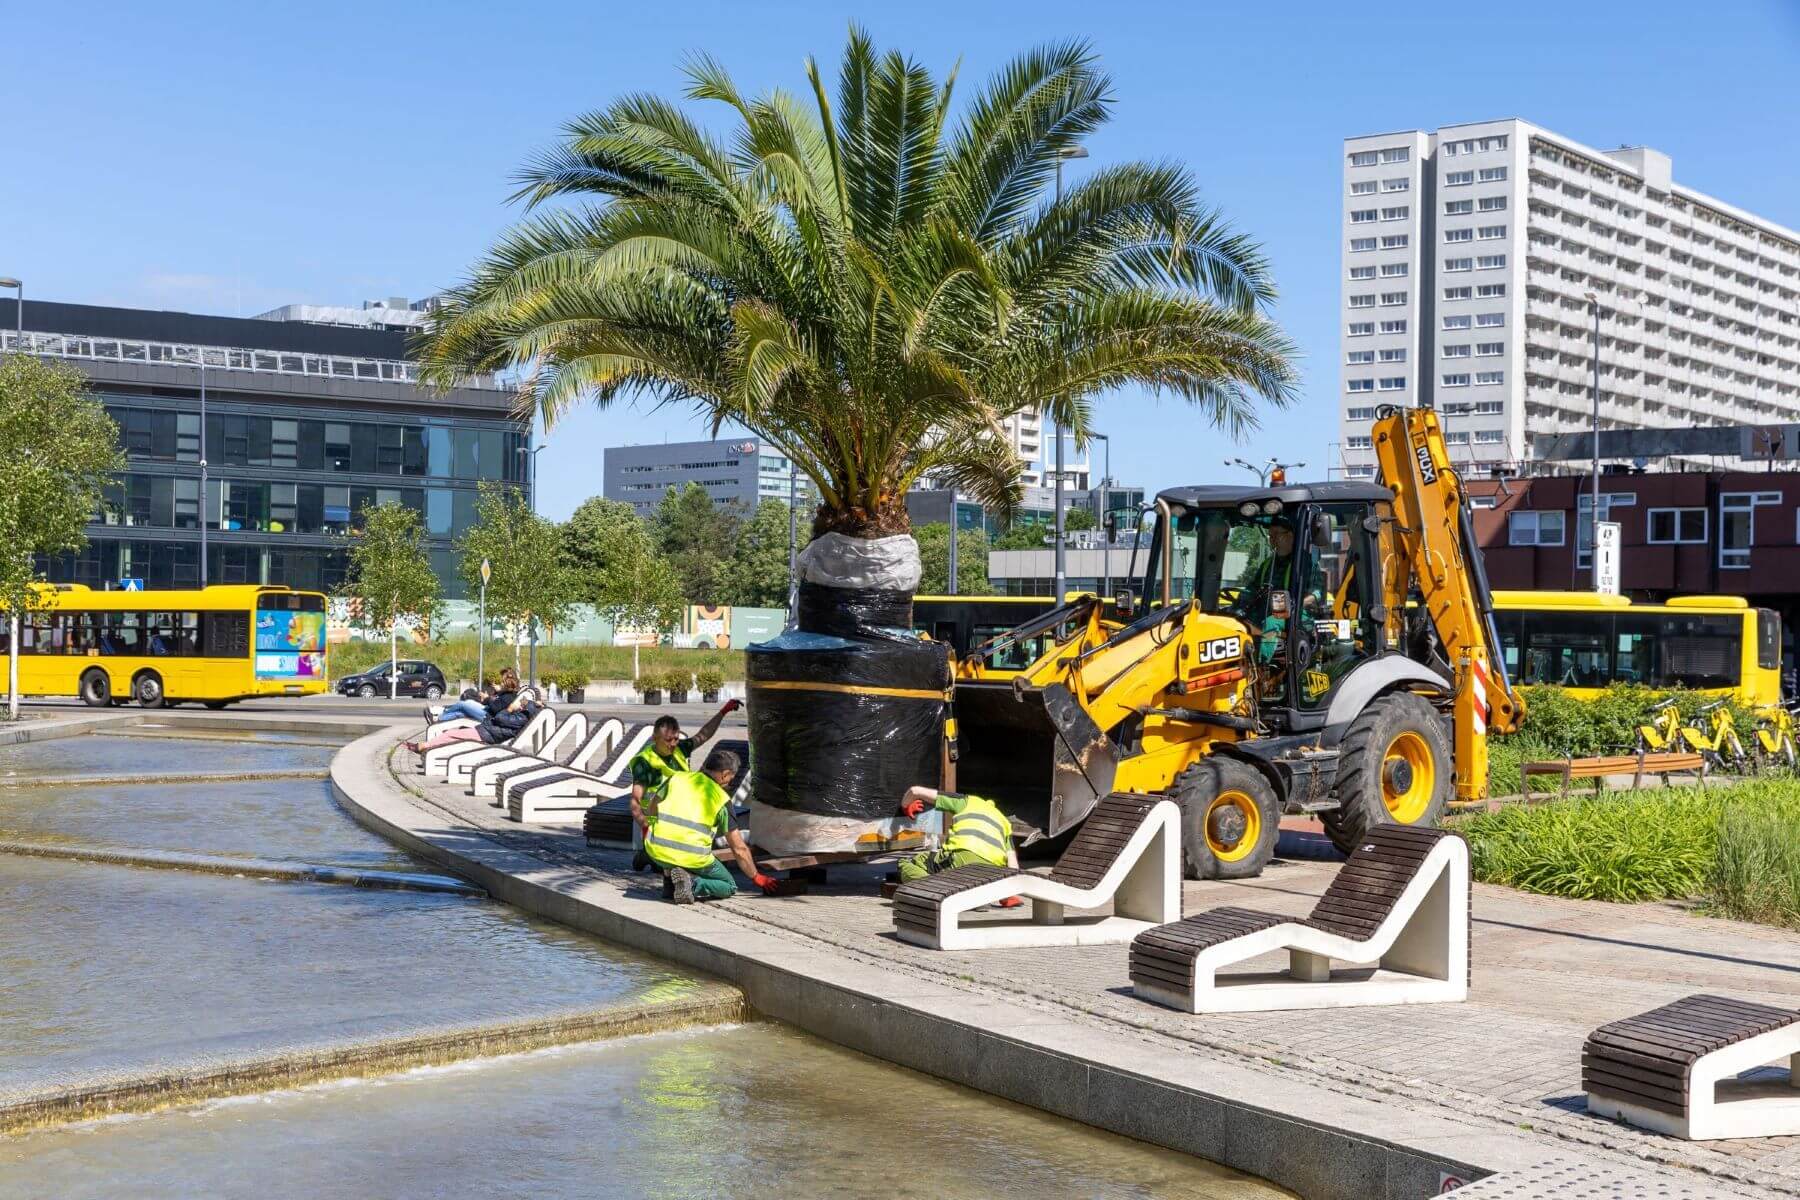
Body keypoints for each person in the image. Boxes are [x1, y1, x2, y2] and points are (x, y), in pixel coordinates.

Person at [641, 748, 779, 903]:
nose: (729, 783)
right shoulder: (721, 799)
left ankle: (670, 885)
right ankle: (691, 884)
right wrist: (756, 877)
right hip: (692, 857)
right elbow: (739, 848)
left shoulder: (676, 779)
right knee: (728, 885)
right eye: (731, 778)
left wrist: (648, 835)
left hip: (656, 851)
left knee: (671, 854)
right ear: (725, 774)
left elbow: (651, 809)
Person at [894, 786, 1021, 903]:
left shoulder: (968, 801)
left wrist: (905, 807)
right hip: (991, 871)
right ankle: (966, 894)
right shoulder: (1004, 822)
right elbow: (1013, 864)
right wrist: (1009, 895)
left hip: (961, 857)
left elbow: (915, 791)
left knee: (906, 864)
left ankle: (936, 890)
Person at [406, 685, 542, 754]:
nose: (520, 703)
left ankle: (425, 746)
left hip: (487, 734)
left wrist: (510, 709)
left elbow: (500, 717)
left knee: (450, 734)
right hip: (486, 730)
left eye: (522, 702)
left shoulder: (521, 717)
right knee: (455, 729)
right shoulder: (525, 713)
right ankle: (429, 746)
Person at [427, 668, 518, 725]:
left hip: (488, 716)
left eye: (502, 681)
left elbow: (496, 708)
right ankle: (437, 720)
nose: (501, 682)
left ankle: (441, 712)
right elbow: (493, 702)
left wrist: (488, 698)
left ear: (507, 682)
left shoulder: (509, 696)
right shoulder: (506, 693)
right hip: (486, 711)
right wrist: (493, 695)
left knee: (463, 704)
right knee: (460, 713)